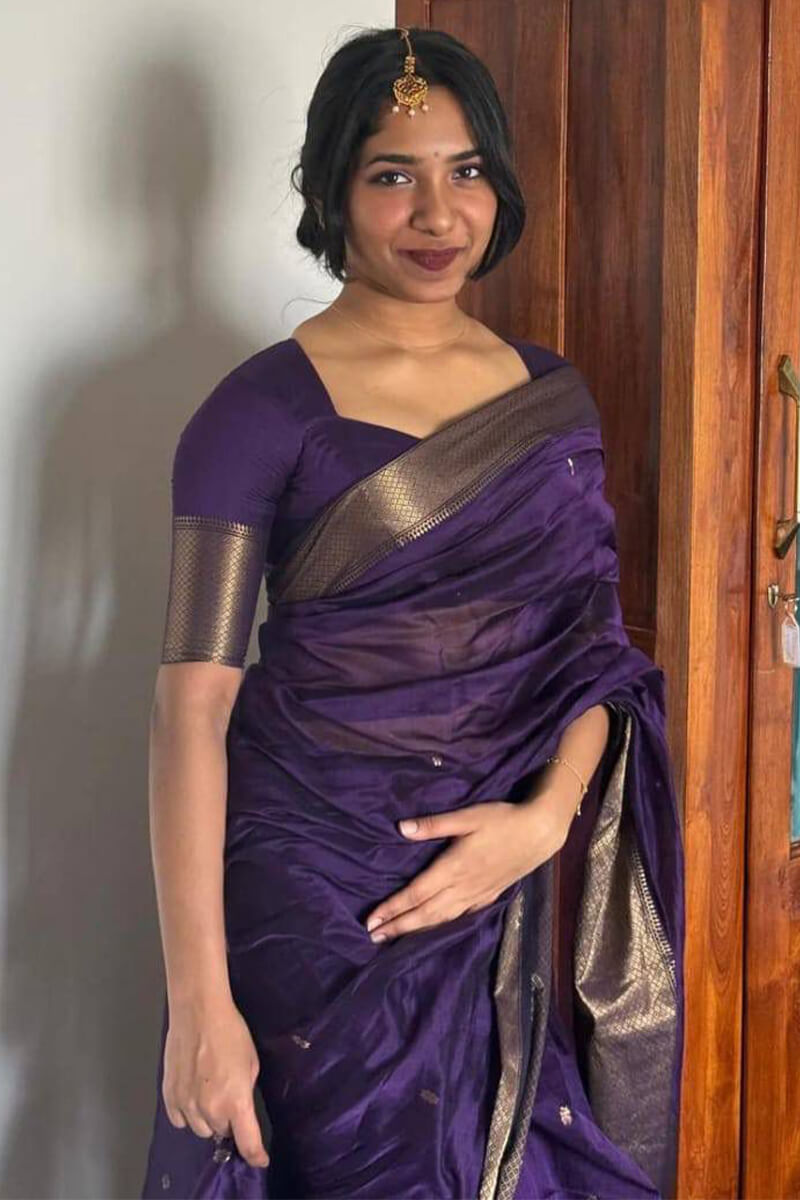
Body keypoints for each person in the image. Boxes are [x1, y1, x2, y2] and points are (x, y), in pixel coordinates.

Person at [140, 25, 685, 1200]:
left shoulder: (550, 401)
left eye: (466, 170)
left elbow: (595, 656)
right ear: (331, 190)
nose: (438, 214)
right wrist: (199, 1005)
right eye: (394, 175)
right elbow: (192, 710)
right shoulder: (257, 412)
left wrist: (540, 824)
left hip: (496, 887)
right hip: (316, 899)